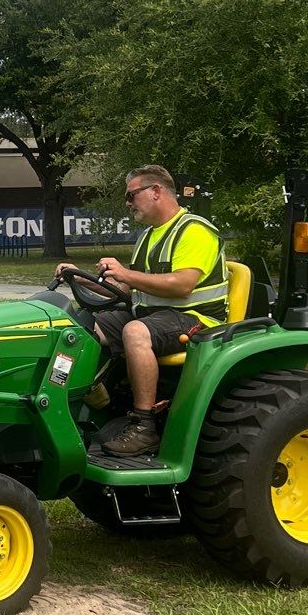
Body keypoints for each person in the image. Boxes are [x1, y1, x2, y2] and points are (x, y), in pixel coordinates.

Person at [56, 166, 228, 458]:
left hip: (196, 319)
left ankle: (144, 427)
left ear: (156, 192)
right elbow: (130, 291)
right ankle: (80, 400)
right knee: (78, 325)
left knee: (134, 331)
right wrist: (83, 277)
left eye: (131, 195)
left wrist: (124, 274)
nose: (127, 202)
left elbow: (182, 285)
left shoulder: (194, 231)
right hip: (153, 314)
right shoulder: (149, 236)